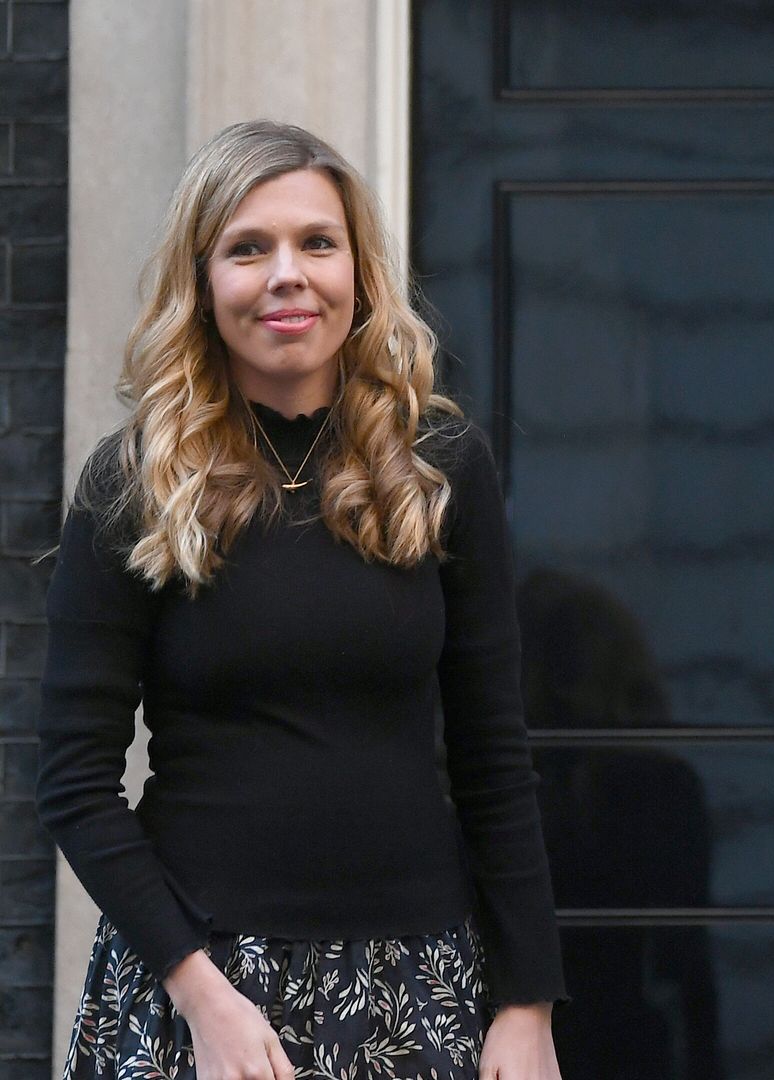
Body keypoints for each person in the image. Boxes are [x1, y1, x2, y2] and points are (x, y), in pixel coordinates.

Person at [38, 120, 566, 1080]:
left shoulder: (439, 470)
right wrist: (199, 992)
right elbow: (74, 781)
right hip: (199, 989)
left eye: (317, 243)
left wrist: (526, 1003)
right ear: (202, 283)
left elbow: (495, 757)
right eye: (248, 248)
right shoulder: (135, 485)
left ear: (359, 272)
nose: (288, 275)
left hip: (420, 979)